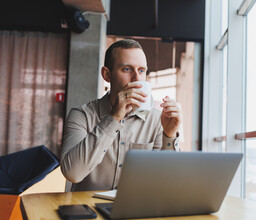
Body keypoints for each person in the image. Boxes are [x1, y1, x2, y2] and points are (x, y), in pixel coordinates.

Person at [60, 39, 182, 191]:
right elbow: (73, 174)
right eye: (127, 69)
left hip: (135, 209)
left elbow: (165, 182)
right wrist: (113, 118)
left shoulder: (158, 120)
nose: (137, 78)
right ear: (107, 75)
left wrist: (169, 136)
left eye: (141, 70)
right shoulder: (81, 115)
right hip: (87, 210)